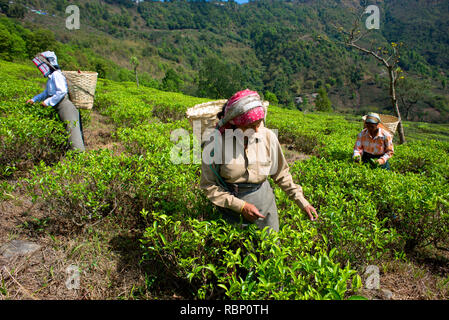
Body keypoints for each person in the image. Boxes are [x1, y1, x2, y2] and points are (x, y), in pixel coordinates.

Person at [200, 89, 318, 232]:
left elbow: (282, 174)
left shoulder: (267, 136)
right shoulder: (215, 143)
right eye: (249, 126)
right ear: (235, 123)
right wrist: (241, 206)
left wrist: (302, 201)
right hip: (229, 210)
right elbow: (209, 185)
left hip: (265, 206)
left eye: (259, 123)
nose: (256, 130)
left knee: (270, 248)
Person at [26, 51, 85, 151]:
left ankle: (79, 157)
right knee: (65, 132)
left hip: (65, 106)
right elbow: (46, 93)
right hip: (58, 106)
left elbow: (61, 91)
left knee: (73, 133)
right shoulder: (51, 77)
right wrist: (34, 99)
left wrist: (47, 102)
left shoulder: (56, 75)